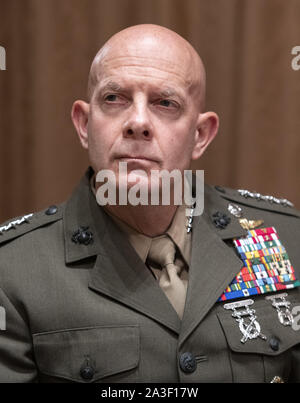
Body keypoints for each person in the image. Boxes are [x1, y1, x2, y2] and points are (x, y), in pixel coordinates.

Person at [0, 24, 300, 383]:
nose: (138, 122)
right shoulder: (13, 271)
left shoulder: (287, 238)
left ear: (200, 135)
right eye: (114, 99)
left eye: (165, 103)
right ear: (83, 124)